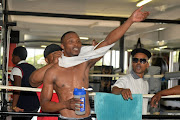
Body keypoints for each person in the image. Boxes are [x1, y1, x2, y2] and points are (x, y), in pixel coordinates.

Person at [40, 6, 149, 120]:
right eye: (71, 41)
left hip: (86, 117)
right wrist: (66, 104)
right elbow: (44, 104)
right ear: (63, 46)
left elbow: (108, 41)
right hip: (66, 118)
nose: (76, 44)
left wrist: (130, 20)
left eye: (78, 41)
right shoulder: (53, 72)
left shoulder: (84, 64)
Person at [111, 47, 151, 114]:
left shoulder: (145, 83)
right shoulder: (126, 79)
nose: (138, 63)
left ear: (147, 65)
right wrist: (122, 90)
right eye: (135, 60)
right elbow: (114, 89)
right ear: (132, 63)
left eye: (142, 61)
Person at [30, 44, 63, 120]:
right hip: (47, 117)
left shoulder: (68, 72)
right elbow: (33, 80)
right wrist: (53, 63)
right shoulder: (43, 74)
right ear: (46, 60)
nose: (58, 58)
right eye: (54, 56)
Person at [10, 46, 40, 120]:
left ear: (16, 57)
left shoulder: (17, 69)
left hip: (22, 104)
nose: (12, 59)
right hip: (34, 103)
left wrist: (14, 106)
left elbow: (17, 88)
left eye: (12, 56)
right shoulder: (33, 68)